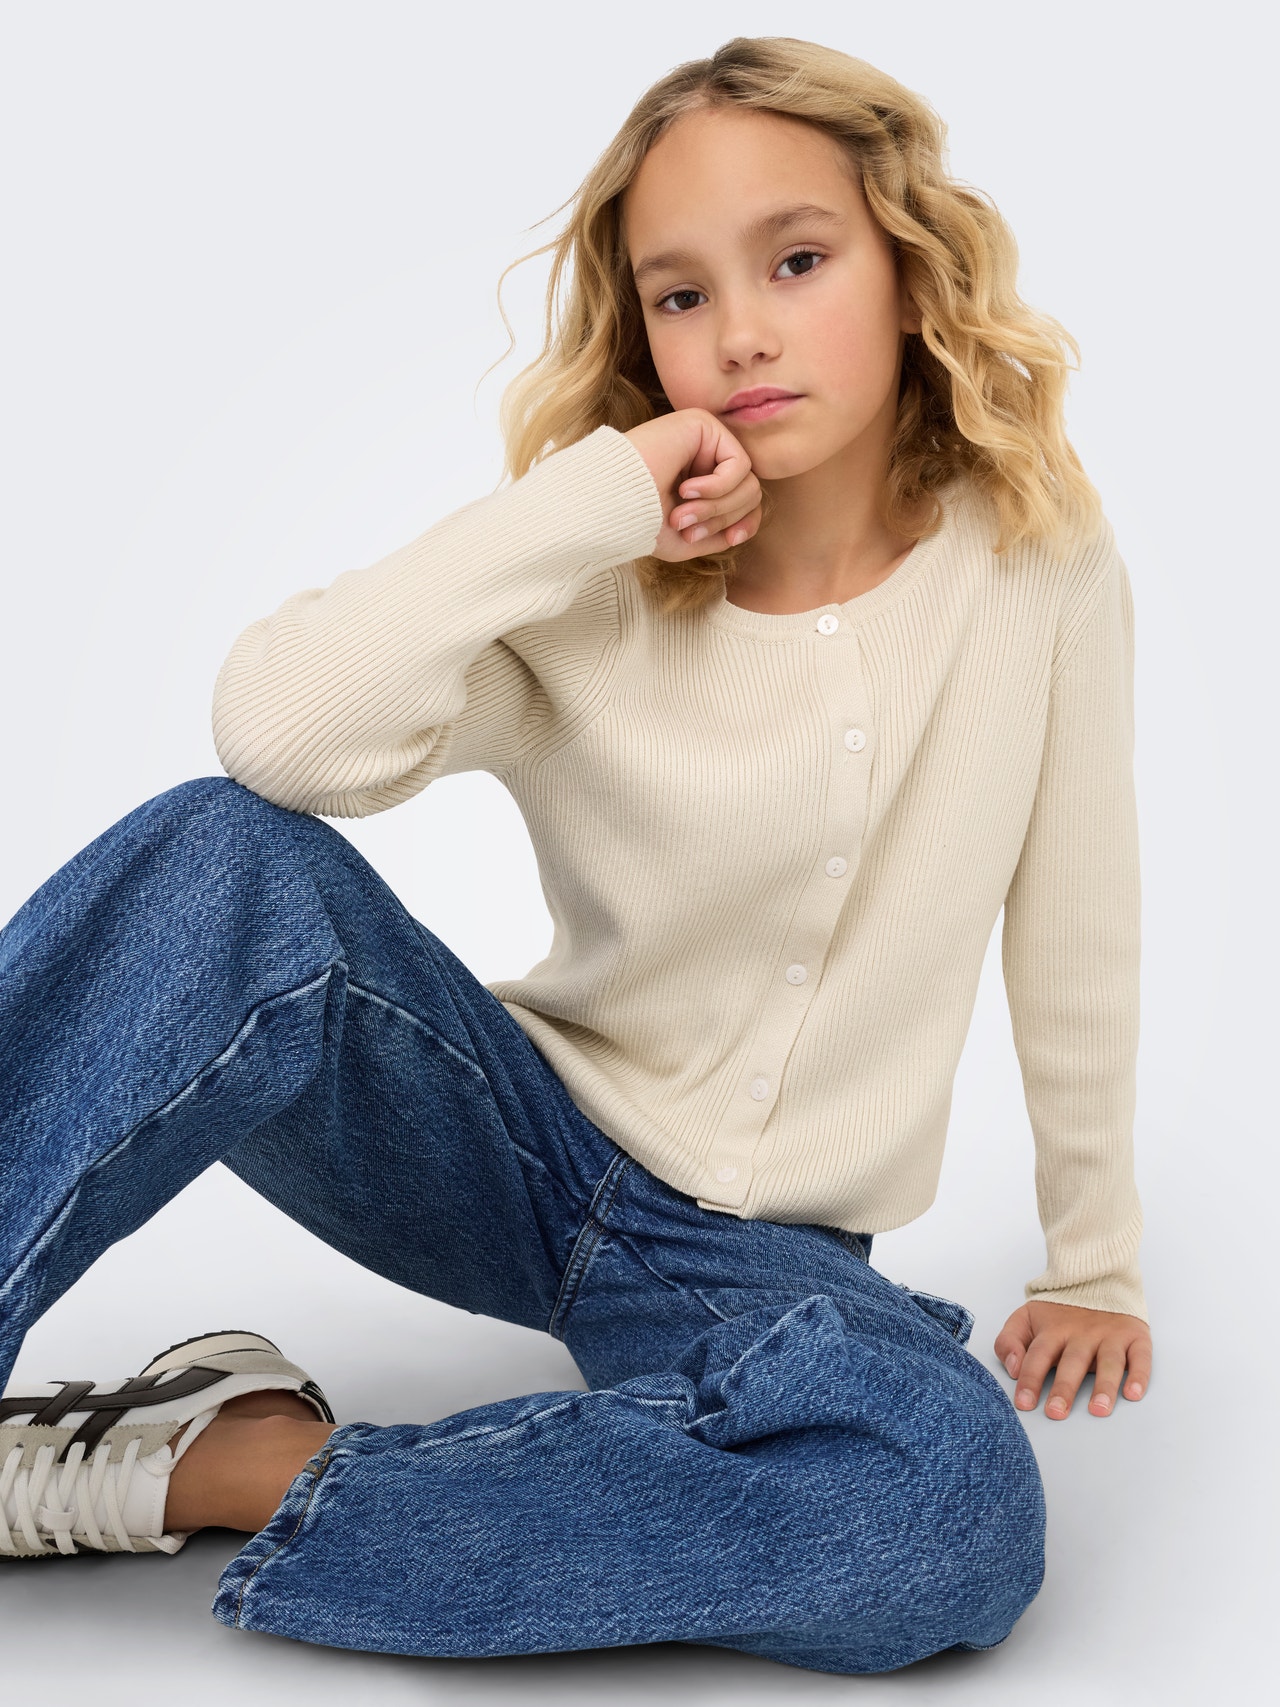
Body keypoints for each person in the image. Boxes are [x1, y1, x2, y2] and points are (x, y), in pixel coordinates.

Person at [0, 33, 1151, 1676]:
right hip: (507, 1147)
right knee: (222, 858)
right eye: (681, 294)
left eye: (799, 260)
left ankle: (222, 1459)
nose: (740, 331)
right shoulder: (602, 578)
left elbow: (1078, 914)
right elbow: (280, 737)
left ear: (908, 269)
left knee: (945, 1504)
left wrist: (1095, 1257)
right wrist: (585, 504)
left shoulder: (1039, 562)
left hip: (756, 1266)